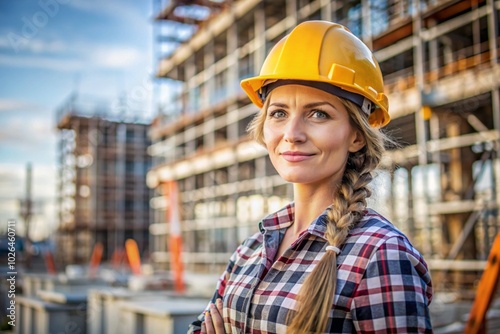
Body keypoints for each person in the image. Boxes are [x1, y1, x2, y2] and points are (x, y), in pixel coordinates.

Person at [188, 20, 433, 334]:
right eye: (279, 113)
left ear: (356, 135)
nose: (292, 134)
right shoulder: (252, 248)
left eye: (318, 113)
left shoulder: (381, 255)